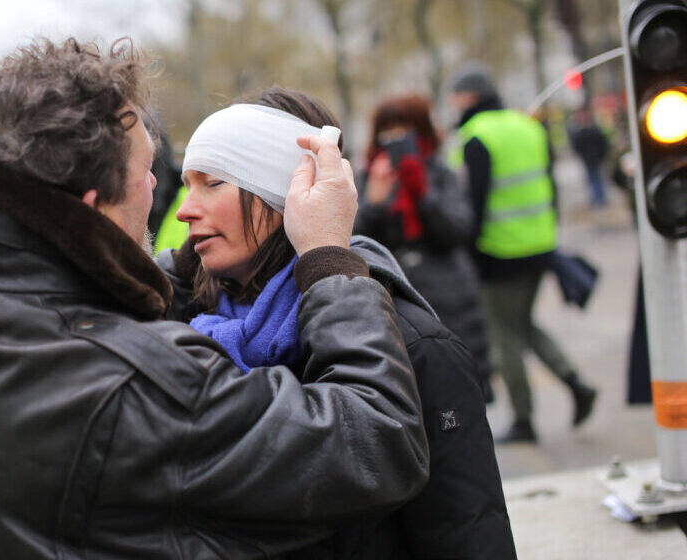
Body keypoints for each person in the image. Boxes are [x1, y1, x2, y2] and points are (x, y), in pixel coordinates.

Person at [0, 37, 429, 559]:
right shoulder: (133, 387)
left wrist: (176, 268)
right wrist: (330, 259)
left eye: (210, 182)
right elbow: (380, 440)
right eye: (148, 171)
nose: (165, 195)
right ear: (92, 206)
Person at [163, 87, 515, 559]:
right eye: (187, 184)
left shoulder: (411, 345)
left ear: (286, 190)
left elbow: (465, 535)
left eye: (213, 182)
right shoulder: (182, 326)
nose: (185, 209)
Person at [448, 65, 597, 443]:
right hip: (539, 245)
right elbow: (549, 185)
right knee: (523, 325)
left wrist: (469, 251)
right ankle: (575, 382)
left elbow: (473, 204)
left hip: (498, 252)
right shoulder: (528, 125)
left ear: (469, 98)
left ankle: (524, 420)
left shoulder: (475, 136)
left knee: (504, 337)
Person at [355, 93, 494, 402]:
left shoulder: (440, 174)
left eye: (404, 130)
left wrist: (422, 194)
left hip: (450, 300)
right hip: (391, 303)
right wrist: (375, 203)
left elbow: (458, 231)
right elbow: (353, 242)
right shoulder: (368, 178)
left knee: (457, 400)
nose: (394, 139)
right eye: (387, 131)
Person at [568, 109, 611, 208]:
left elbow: (602, 144)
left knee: (595, 178)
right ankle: (598, 198)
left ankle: (599, 199)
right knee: (593, 178)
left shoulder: (591, 130)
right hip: (589, 159)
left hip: (593, 158)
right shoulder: (587, 131)